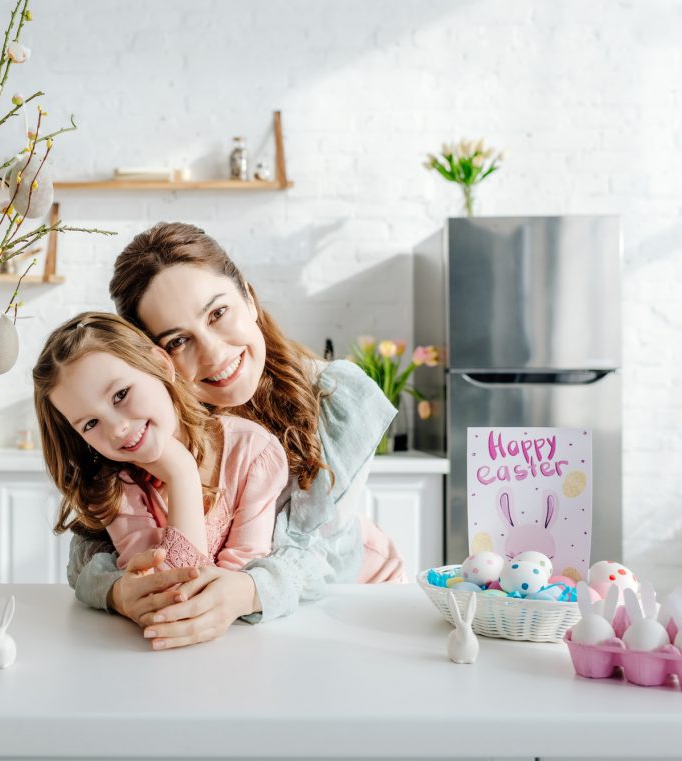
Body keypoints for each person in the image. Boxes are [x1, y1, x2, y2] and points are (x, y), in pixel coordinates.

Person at [68, 222, 406, 651]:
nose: (212, 353)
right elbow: (87, 559)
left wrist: (246, 590)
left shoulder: (335, 400)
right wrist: (119, 590)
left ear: (249, 296)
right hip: (247, 640)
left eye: (217, 313)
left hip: (363, 609)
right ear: (153, 358)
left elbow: (313, 558)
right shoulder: (144, 426)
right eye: (178, 340)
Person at [33, 313, 289, 586]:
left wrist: (181, 471)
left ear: (160, 364)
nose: (117, 429)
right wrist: (182, 474)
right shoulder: (115, 489)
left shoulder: (252, 452)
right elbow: (167, 590)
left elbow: (240, 587)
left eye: (120, 395)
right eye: (91, 423)